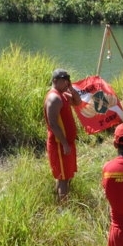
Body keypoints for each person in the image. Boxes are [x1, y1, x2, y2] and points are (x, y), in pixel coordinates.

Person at [44, 68, 81, 202]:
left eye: (67, 81)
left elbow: (78, 102)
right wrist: (64, 143)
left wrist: (70, 87)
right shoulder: (54, 98)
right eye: (63, 81)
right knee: (63, 178)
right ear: (55, 81)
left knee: (67, 175)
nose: (66, 83)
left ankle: (60, 202)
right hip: (59, 144)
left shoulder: (64, 94)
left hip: (66, 142)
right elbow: (53, 124)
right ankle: (64, 209)